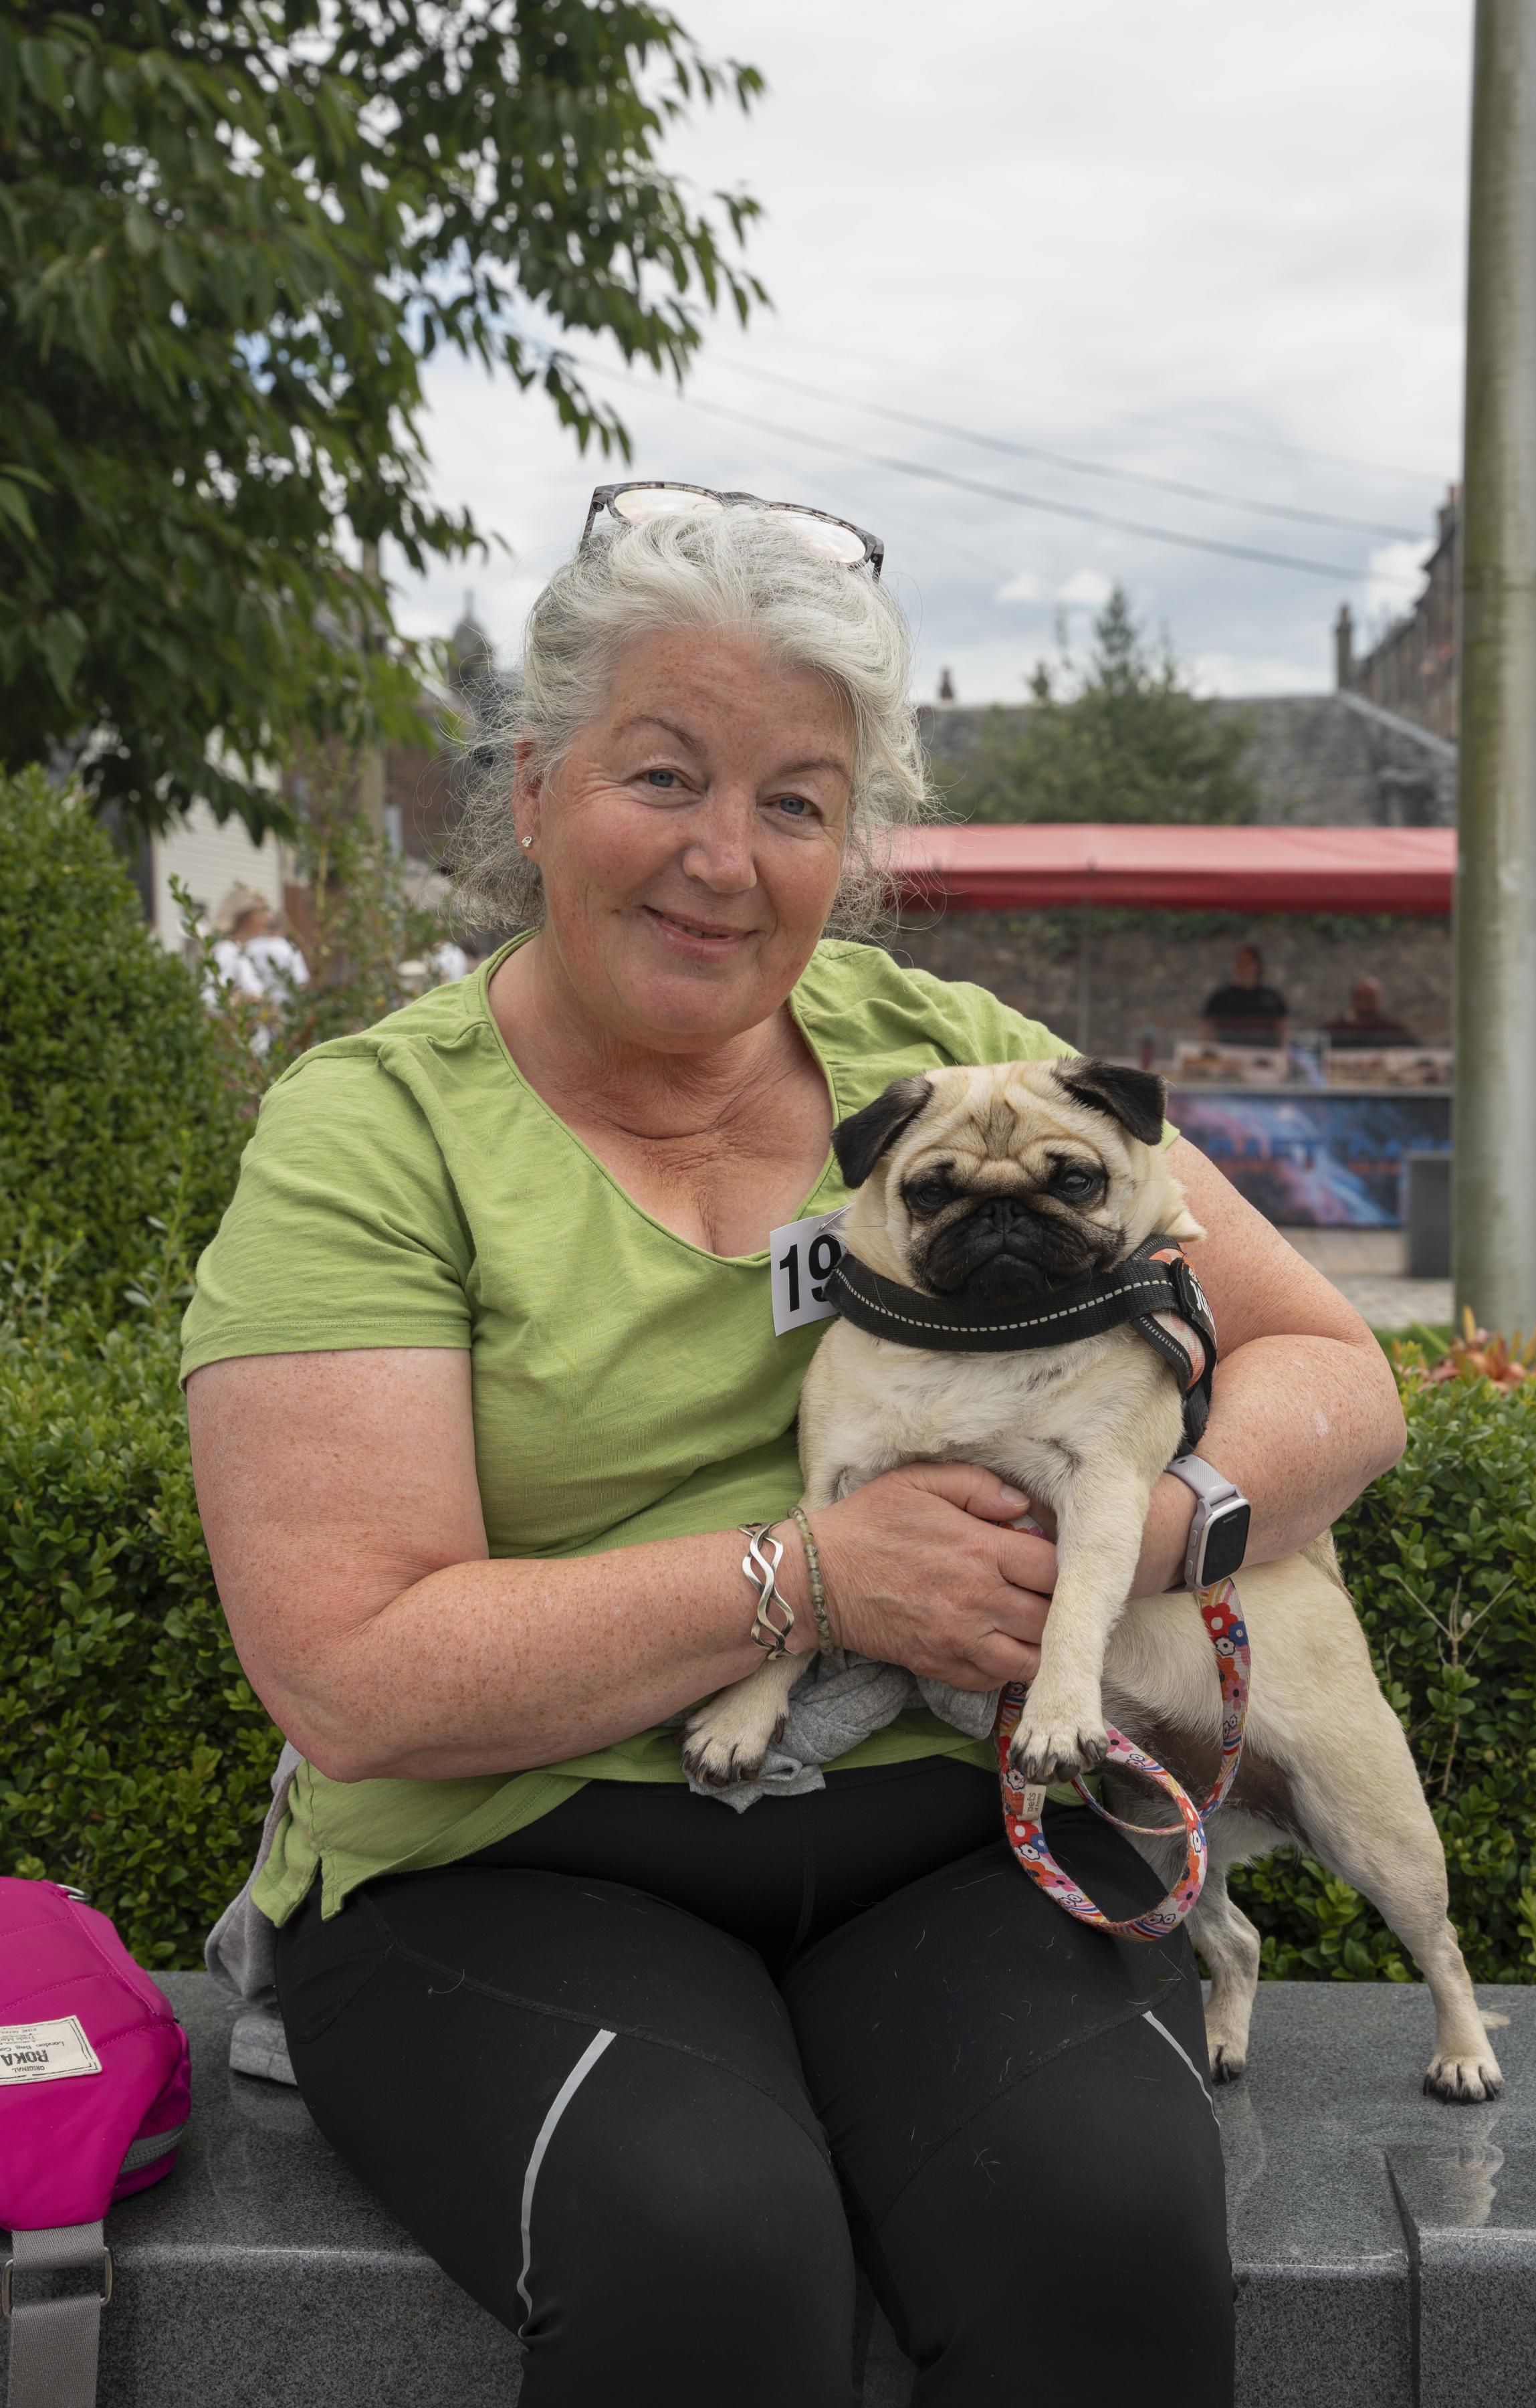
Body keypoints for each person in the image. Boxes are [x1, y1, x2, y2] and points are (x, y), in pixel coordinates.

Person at [183, 490, 1406, 2408]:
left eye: (796, 803)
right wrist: (819, 1578)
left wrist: (1148, 1533)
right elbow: (351, 1670)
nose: (722, 862)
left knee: (1105, 2232)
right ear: (528, 788)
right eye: (663, 774)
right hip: (503, 1848)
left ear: (853, 845)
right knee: (706, 2252)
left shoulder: (955, 1056)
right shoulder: (374, 1136)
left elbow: (1332, 1363)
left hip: (957, 1819)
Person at [208, 885, 310, 1011]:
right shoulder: (227, 950)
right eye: (261, 912)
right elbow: (210, 1000)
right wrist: (244, 1003)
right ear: (244, 916)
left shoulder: (242, 950)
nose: (268, 919)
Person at [1200, 941, 1289, 1047]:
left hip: (1264, 1056)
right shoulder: (1221, 997)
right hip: (1229, 1056)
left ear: (1257, 965)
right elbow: (1207, 1027)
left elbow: (1283, 1028)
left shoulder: (1272, 998)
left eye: (1246, 962)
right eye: (1238, 962)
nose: (1241, 966)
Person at [1325, 976, 1416, 1051]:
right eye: (1361, 996)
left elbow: (1417, 1053)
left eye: (1370, 998)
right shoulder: (1334, 1030)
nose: (1365, 1002)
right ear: (1353, 999)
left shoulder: (1392, 1030)